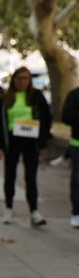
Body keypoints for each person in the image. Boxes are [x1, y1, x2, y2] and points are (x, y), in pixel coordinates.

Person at [0, 66, 52, 226]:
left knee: (31, 178)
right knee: (10, 176)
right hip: (12, 142)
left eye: (26, 78)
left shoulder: (36, 96)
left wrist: (42, 139)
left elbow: (47, 118)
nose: (23, 81)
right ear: (14, 79)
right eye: (20, 78)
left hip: (31, 142)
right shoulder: (4, 98)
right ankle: (8, 208)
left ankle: (34, 212)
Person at [61, 85, 79, 228]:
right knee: (77, 181)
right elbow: (65, 116)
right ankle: (77, 213)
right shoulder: (74, 95)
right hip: (77, 145)